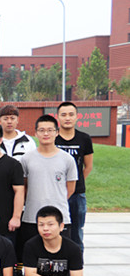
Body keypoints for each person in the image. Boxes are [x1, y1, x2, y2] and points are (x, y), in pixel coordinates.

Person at [17, 115, 78, 252]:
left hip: (59, 217)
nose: (46, 134)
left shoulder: (67, 159)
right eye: (42, 130)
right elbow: (24, 187)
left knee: (60, 257)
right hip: (32, 217)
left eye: (50, 130)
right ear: (35, 133)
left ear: (57, 132)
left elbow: (70, 189)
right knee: (31, 256)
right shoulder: (26, 159)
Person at [55, 101, 94, 251]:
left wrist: (74, 183)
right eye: (63, 115)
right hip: (55, 192)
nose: (67, 118)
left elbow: (88, 166)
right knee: (55, 231)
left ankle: (77, 264)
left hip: (77, 194)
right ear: (58, 117)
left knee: (77, 233)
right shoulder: (53, 138)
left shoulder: (84, 138)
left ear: (77, 117)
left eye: (71, 114)